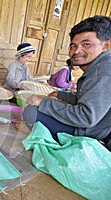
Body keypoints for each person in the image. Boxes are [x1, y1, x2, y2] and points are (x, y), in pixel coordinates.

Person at [22, 15, 111, 151]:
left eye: (86, 44)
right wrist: (61, 95)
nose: (76, 51)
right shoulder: (99, 66)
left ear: (106, 46)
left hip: (92, 132)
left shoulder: (102, 71)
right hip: (98, 126)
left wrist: (43, 102)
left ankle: (63, 145)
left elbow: (86, 117)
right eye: (73, 46)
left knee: (31, 112)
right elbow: (86, 99)